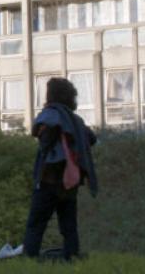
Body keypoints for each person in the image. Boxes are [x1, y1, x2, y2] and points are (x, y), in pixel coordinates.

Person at [21, 76, 98, 260]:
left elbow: (42, 136)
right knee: (68, 223)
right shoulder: (76, 120)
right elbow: (92, 138)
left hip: (49, 178)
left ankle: (29, 259)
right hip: (70, 181)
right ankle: (71, 256)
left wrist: (46, 136)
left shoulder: (50, 113)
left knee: (36, 223)